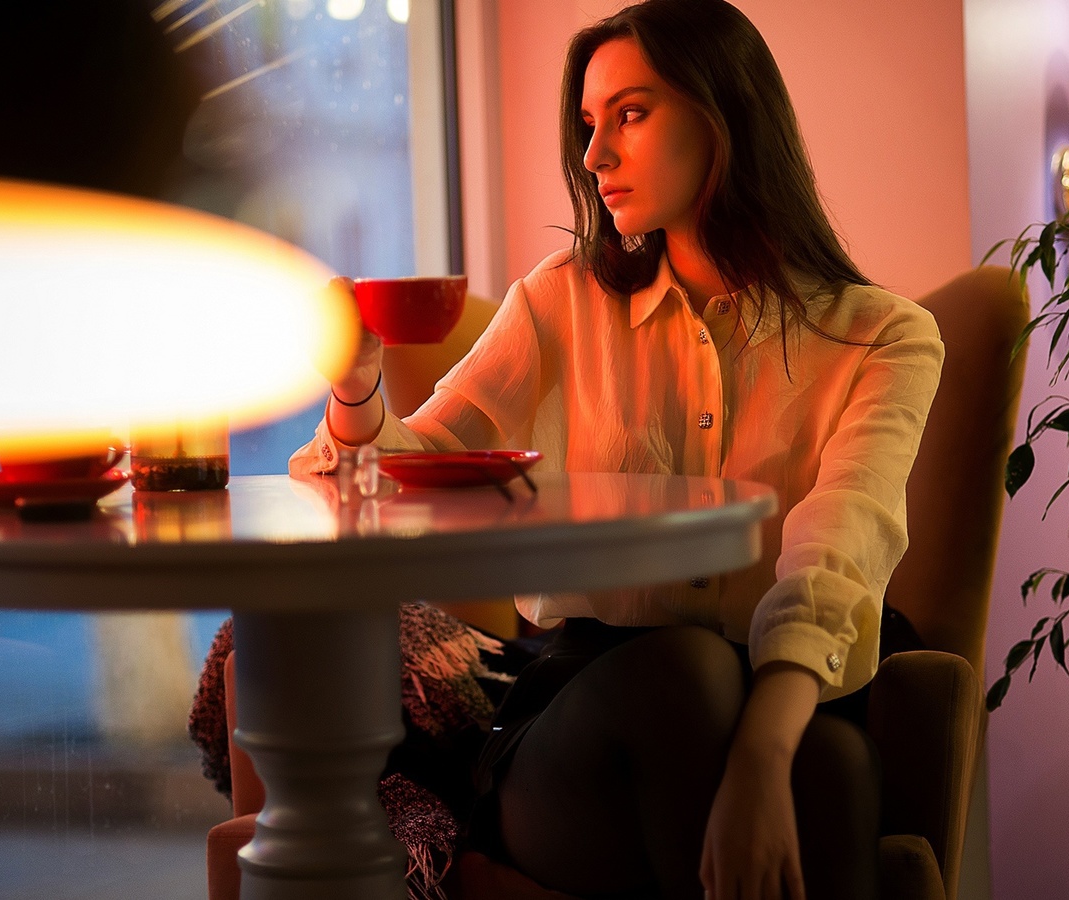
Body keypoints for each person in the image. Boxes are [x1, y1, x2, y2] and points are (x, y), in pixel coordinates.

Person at [290, 1, 944, 897]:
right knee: (691, 672)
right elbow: (411, 470)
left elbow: (842, 547)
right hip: (583, 720)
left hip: (788, 694)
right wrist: (357, 385)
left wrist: (759, 755)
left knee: (822, 763)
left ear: (726, 116)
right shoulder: (561, 302)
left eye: (630, 115)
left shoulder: (883, 338)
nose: (594, 155)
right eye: (590, 125)